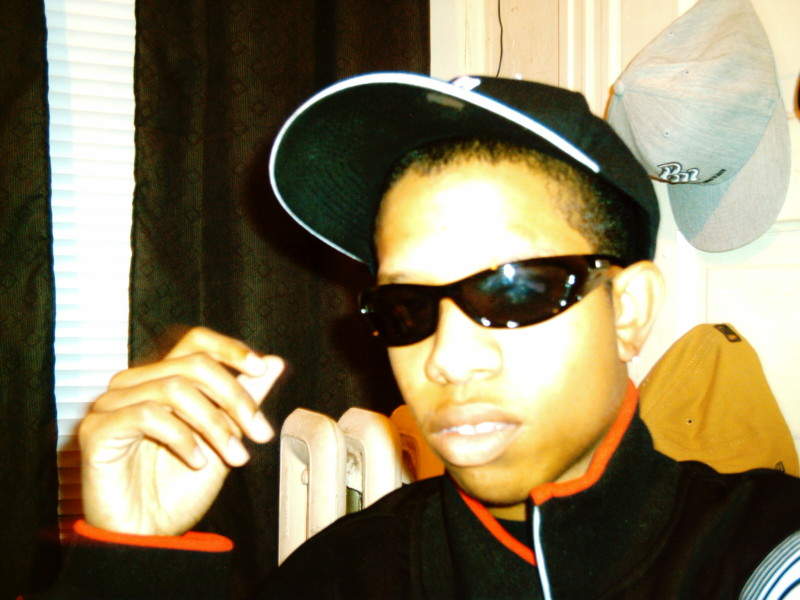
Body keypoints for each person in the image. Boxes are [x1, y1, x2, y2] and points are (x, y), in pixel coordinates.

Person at [42, 73, 800, 599]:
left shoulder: (762, 550)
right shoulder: (345, 575)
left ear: (628, 310)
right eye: (406, 307)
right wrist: (133, 559)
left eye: (513, 288)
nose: (447, 357)